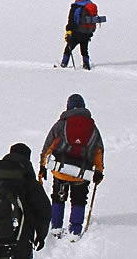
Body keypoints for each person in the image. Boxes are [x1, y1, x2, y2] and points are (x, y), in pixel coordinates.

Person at [39, 92, 105, 237]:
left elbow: (48, 146)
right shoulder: (92, 127)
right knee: (79, 200)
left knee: (58, 197)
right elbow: (98, 151)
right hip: (82, 173)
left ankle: (56, 227)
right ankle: (75, 230)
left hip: (61, 170)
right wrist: (99, 171)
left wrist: (42, 167)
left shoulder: (60, 124)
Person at [59, 0, 102, 68]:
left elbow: (71, 20)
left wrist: (68, 31)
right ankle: (86, 65)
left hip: (77, 32)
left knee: (68, 49)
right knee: (84, 50)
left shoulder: (76, 6)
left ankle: (63, 64)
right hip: (87, 32)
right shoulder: (89, 4)